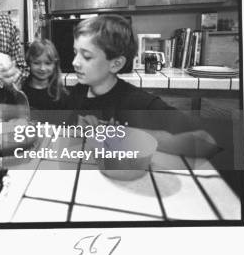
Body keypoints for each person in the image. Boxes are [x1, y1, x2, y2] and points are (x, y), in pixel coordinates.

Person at [63, 14, 219, 158]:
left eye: (86, 56)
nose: (74, 62)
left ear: (116, 64)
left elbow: (208, 142)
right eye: (75, 52)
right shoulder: (79, 91)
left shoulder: (138, 102)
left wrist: (128, 136)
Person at [22, 39, 67, 110]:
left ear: (55, 65)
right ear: (29, 63)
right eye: (36, 63)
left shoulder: (61, 95)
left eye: (48, 63)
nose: (42, 68)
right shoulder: (21, 93)